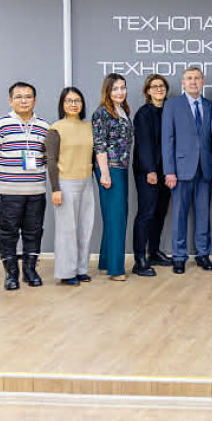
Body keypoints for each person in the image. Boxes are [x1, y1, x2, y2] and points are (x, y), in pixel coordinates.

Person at [0, 81, 50, 291]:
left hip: (36, 191)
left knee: (34, 232)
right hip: (8, 191)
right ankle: (11, 274)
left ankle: (30, 271)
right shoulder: (0, 125)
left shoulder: (44, 126)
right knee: (8, 233)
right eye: (19, 97)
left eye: (28, 97)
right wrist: (3, 172)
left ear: (35, 100)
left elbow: (47, 157)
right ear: (10, 100)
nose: (24, 101)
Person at [162, 67, 212, 274]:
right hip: (180, 170)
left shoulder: (211, 106)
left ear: (203, 82)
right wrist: (169, 171)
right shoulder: (172, 105)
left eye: (197, 78)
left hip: (206, 169)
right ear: (183, 82)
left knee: (203, 215)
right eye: (189, 78)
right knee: (179, 215)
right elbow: (167, 140)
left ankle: (203, 254)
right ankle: (179, 257)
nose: (193, 81)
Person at [45, 87, 94, 286]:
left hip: (87, 181)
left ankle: (81, 269)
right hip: (65, 183)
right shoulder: (56, 128)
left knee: (85, 228)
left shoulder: (88, 127)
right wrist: (55, 188)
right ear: (62, 104)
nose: (73, 104)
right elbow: (51, 160)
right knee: (67, 231)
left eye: (77, 100)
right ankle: (66, 272)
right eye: (69, 101)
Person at [91, 73, 133, 282]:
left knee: (114, 216)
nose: (120, 92)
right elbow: (99, 144)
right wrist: (105, 173)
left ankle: (106, 262)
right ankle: (116, 269)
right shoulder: (102, 113)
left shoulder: (123, 110)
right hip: (110, 169)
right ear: (107, 91)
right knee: (116, 218)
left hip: (122, 168)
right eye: (115, 88)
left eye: (122, 87)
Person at [132, 74, 172, 276]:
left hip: (167, 171)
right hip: (148, 172)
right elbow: (144, 144)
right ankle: (139, 260)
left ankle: (154, 252)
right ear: (147, 91)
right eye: (154, 86)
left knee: (159, 213)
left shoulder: (169, 110)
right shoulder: (143, 113)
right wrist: (150, 170)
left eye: (162, 85)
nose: (159, 89)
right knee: (146, 214)